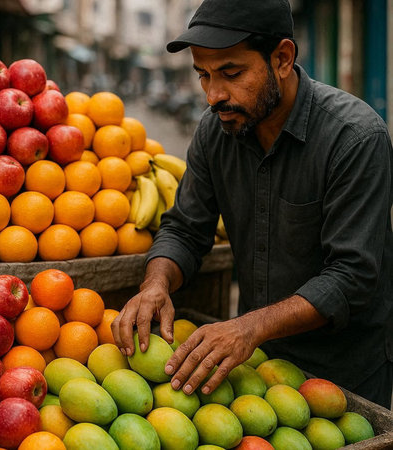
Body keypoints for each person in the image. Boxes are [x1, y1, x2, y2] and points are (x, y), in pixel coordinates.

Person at [112, 0, 393, 408]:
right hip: (254, 368)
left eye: (231, 73)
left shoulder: (355, 138)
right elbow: (186, 229)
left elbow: (350, 277)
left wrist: (248, 328)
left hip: (345, 374)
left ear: (282, 58)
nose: (213, 95)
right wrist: (155, 285)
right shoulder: (216, 132)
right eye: (203, 76)